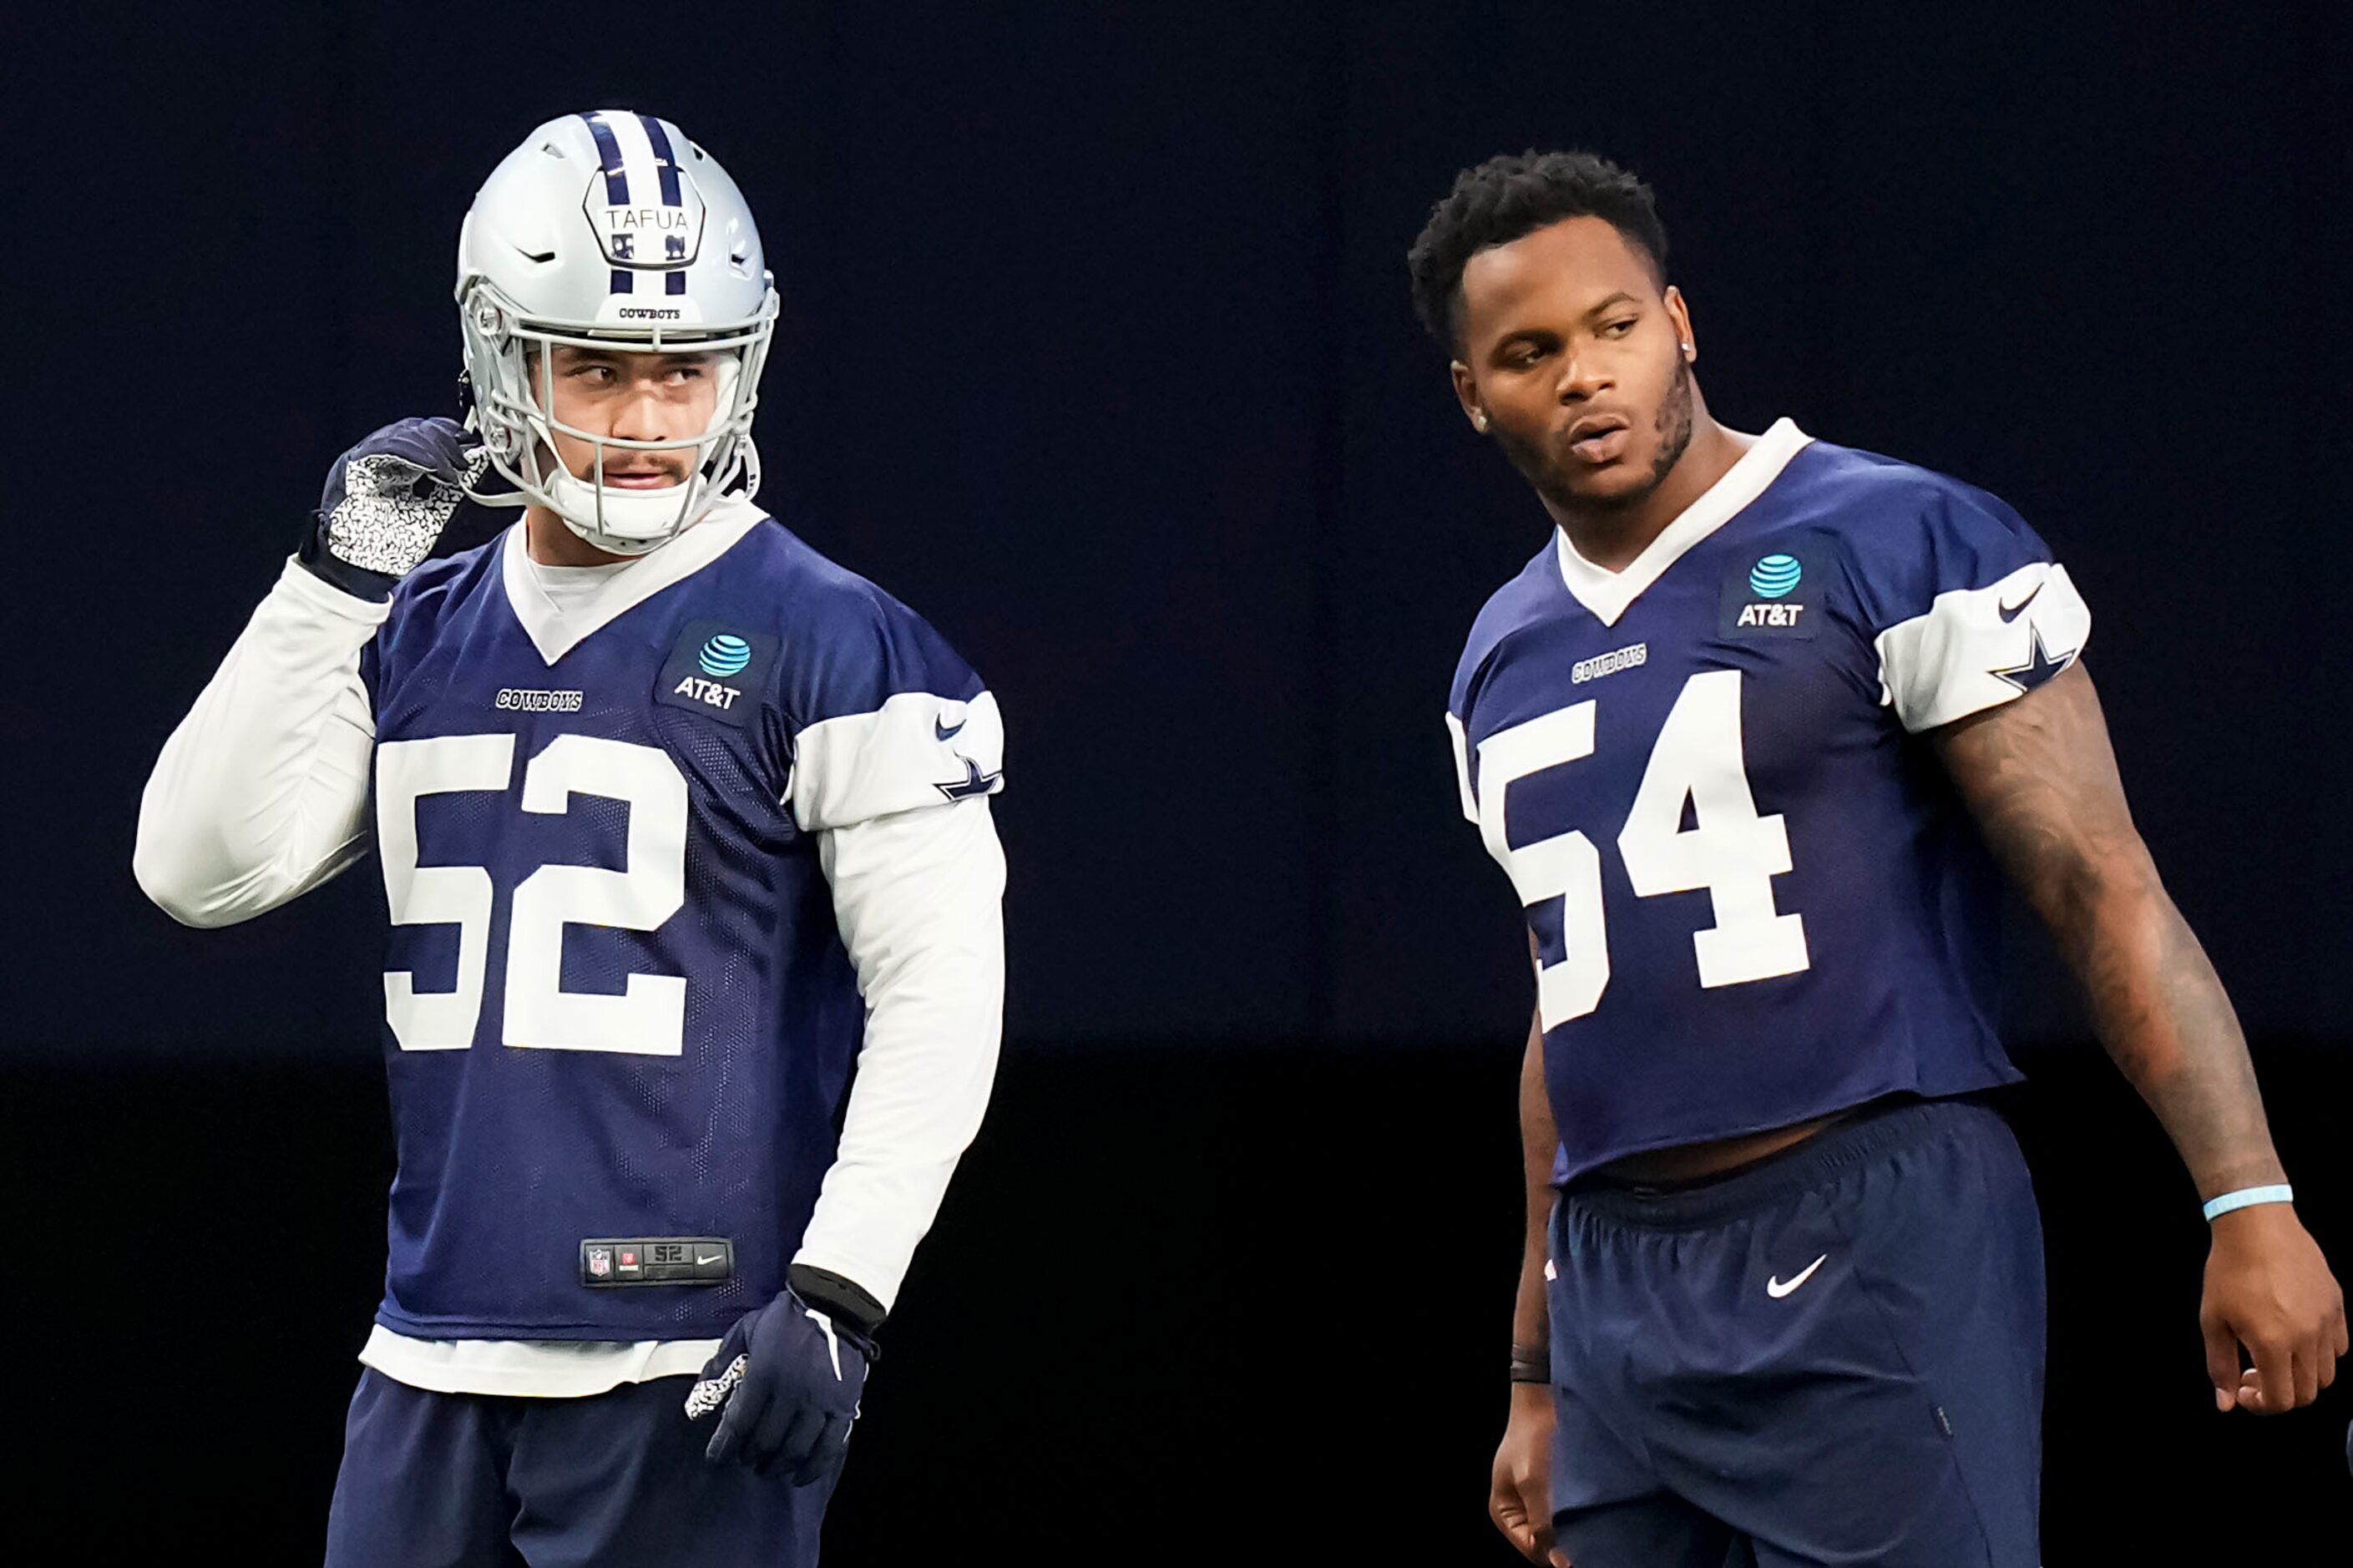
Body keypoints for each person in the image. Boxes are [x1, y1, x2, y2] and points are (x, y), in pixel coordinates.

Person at [1408, 149, 2345, 1568]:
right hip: (1612, 1281)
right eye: (1530, 353)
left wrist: (2247, 1198)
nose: (1584, 376)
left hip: (1866, 1214)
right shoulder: (1497, 655)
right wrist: (1534, 1369)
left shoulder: (1893, 533)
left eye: (1611, 326)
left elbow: (2098, 883)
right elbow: (1565, 1007)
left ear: (1678, 320)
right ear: (1475, 394)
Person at [134, 109, 1007, 1565]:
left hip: (684, 1358)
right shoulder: (417, 621)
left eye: (683, 372)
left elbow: (941, 993)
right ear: (499, 356)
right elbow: (196, 867)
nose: (646, 419)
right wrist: (331, 583)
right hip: (428, 1348)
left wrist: (842, 1287)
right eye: (597, 366)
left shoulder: (837, 638)